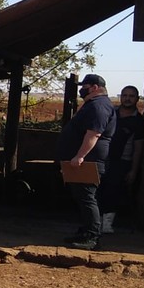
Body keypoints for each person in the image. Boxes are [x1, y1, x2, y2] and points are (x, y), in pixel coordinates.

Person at [57, 74, 116, 250]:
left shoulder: (99, 106)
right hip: (83, 159)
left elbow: (94, 134)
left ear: (95, 87)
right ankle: (85, 231)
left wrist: (80, 156)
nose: (82, 89)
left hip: (89, 160)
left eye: (85, 86)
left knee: (87, 197)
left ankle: (92, 237)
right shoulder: (94, 105)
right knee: (82, 196)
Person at [96, 85, 144, 233]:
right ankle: (94, 223)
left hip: (123, 161)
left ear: (137, 98)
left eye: (131, 96)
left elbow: (138, 148)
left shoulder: (139, 121)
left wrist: (133, 170)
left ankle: (107, 224)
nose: (127, 99)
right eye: (125, 95)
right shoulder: (111, 114)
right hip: (103, 158)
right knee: (98, 191)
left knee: (113, 192)